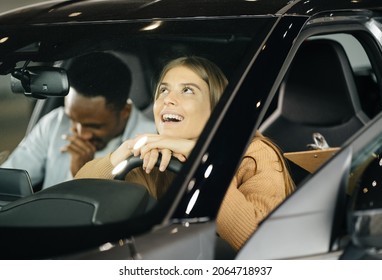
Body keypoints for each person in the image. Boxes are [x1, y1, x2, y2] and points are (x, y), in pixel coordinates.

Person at [75, 56, 295, 250]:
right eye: (163, 90)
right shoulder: (153, 157)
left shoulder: (255, 154)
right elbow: (78, 199)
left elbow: (258, 242)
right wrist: (124, 152)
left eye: (187, 90)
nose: (168, 99)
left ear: (216, 107)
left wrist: (200, 158)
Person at [2, 52, 155, 189]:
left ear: (124, 112)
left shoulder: (151, 142)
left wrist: (84, 175)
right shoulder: (54, 123)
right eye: (73, 119)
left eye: (94, 126)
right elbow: (8, 181)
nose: (82, 134)